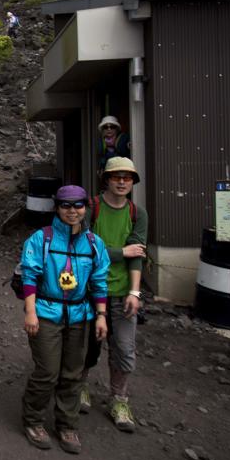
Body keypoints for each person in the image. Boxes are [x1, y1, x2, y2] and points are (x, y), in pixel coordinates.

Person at [19, 185, 109, 454]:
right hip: (46, 312)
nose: (73, 211)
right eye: (66, 205)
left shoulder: (94, 243)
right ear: (57, 208)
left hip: (81, 315)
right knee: (47, 372)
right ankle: (33, 419)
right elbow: (29, 277)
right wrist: (30, 311)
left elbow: (99, 281)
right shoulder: (41, 239)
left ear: (85, 208)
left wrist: (102, 315)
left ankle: (67, 424)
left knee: (73, 374)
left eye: (78, 205)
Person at [81, 157, 148, 432]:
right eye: (116, 176)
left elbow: (138, 254)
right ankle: (79, 386)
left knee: (124, 348)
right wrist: (121, 252)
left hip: (122, 293)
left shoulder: (137, 213)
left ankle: (119, 399)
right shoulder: (91, 208)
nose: (122, 182)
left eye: (127, 177)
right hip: (90, 290)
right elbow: (85, 248)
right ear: (106, 179)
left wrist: (135, 291)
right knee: (86, 345)